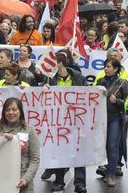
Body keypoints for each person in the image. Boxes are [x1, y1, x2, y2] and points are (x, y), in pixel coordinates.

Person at [41, 51, 88, 193]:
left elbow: (87, 94)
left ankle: (80, 183)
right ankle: (59, 180)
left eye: (52, 64)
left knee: (79, 151)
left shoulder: (78, 77)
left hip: (76, 120)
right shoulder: (49, 79)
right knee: (60, 150)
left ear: (59, 64)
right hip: (59, 122)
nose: (48, 68)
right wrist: (43, 89)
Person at [0, 98, 40, 193]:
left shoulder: (29, 130)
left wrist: (26, 179)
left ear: (20, 111)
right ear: (3, 112)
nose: (10, 112)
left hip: (23, 183)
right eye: (7, 110)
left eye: (14, 109)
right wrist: (2, 139)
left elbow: (35, 159)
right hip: (0, 180)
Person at [96, 58, 128, 187]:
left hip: (114, 118)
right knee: (102, 146)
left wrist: (117, 101)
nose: (105, 68)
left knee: (113, 146)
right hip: (101, 118)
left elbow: (127, 103)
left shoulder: (123, 83)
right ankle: (107, 169)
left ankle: (110, 175)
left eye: (108, 66)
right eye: (105, 66)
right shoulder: (100, 81)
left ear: (115, 69)